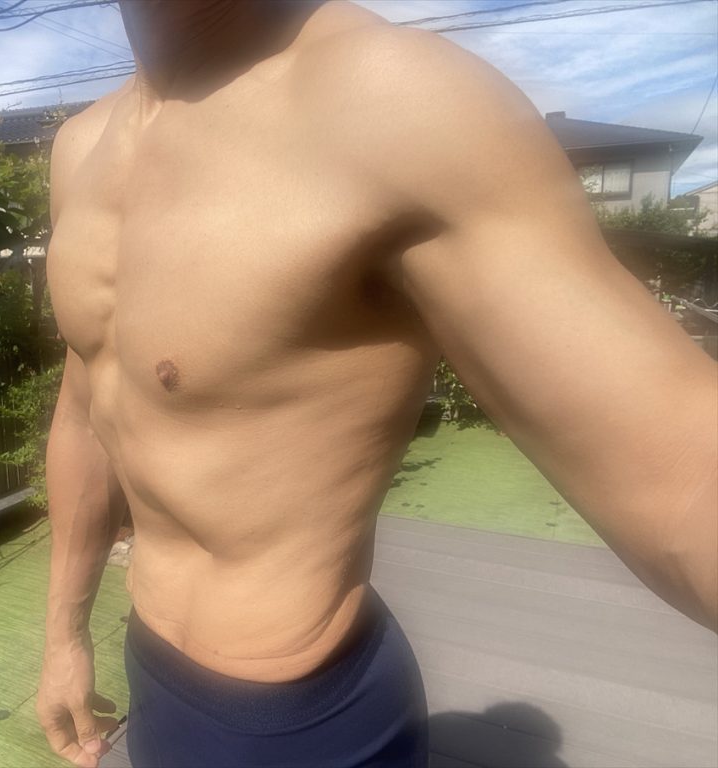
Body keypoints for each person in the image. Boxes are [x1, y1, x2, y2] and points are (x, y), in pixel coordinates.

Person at [35, 2, 718, 766]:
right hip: (152, 671)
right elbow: (86, 409)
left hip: (302, 722)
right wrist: (64, 637)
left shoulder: (387, 98)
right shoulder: (80, 148)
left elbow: (687, 474)